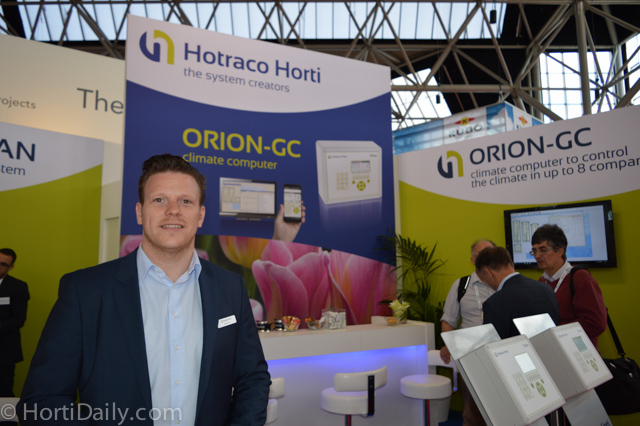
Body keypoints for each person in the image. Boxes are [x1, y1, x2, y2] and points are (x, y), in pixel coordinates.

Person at [18, 154, 271, 426]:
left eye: (185, 201)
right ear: (139, 212)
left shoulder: (230, 287)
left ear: (200, 215)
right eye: (159, 199)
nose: (173, 210)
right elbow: (41, 401)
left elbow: (252, 378)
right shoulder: (85, 292)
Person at [440, 240, 495, 426]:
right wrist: (449, 345)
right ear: (473, 260)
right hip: (471, 356)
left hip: (500, 353)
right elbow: (448, 320)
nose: (485, 258)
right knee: (473, 412)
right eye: (480, 255)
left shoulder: (503, 284)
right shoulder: (461, 285)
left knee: (502, 410)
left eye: (489, 253)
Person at [531, 224, 607, 348]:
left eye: (543, 250)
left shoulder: (580, 278)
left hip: (578, 352)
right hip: (553, 349)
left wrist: (554, 331)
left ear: (560, 250)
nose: (537, 255)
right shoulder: (542, 282)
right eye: (534, 251)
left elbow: (596, 323)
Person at [476, 246, 560, 339]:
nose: (486, 283)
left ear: (487, 273)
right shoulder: (547, 289)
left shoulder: (495, 303)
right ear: (512, 265)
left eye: (483, 279)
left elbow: (494, 345)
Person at [0, 248, 30, 398]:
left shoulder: (18, 287)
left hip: (4, 352)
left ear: (11, 267)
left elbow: (18, 320)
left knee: (3, 393)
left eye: (3, 264)